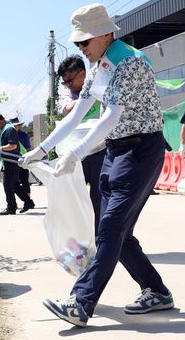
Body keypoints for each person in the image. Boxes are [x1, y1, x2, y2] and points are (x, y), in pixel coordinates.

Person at [20, 3, 173, 327]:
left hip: (141, 150)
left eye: (84, 42)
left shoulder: (128, 62)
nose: (81, 48)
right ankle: (157, 291)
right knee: (117, 232)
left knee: (110, 229)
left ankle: (81, 302)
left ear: (106, 34)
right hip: (116, 151)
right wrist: (42, 149)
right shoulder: (99, 64)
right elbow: (78, 113)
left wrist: (73, 153)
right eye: (77, 43)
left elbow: (111, 115)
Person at [57, 55, 106, 235]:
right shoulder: (69, 92)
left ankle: (98, 236)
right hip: (76, 152)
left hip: (99, 149)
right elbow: (66, 108)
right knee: (74, 196)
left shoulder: (99, 84)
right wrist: (87, 99)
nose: (68, 84)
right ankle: (78, 236)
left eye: (70, 79)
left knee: (99, 196)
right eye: (64, 82)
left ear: (83, 74)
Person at [0, 112, 35, 215]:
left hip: (11, 162)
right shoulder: (7, 128)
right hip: (9, 161)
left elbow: (13, 146)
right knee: (14, 184)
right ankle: (28, 202)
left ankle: (11, 207)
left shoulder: (9, 129)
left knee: (7, 184)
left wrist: (1, 148)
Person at [10, 117, 33, 199]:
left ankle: (28, 199)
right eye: (15, 125)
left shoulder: (24, 135)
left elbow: (28, 148)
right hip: (12, 161)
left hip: (23, 159)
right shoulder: (9, 134)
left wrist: (29, 158)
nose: (16, 127)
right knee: (13, 182)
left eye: (18, 125)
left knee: (24, 180)